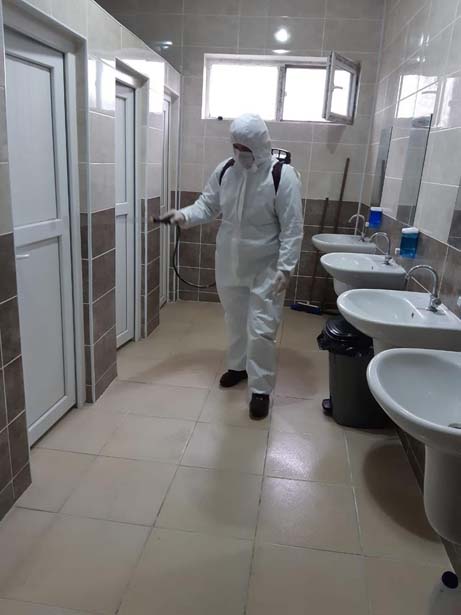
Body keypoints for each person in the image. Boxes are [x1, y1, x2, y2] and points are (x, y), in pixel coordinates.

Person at [162, 113, 303, 420]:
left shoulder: (282, 176)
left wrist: (286, 268)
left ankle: (261, 389)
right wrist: (184, 215)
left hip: (266, 267)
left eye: (246, 147)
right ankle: (238, 367)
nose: (240, 153)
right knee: (235, 320)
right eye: (236, 146)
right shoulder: (226, 170)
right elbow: (207, 205)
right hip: (229, 262)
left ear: (261, 144)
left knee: (261, 328)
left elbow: (293, 228)